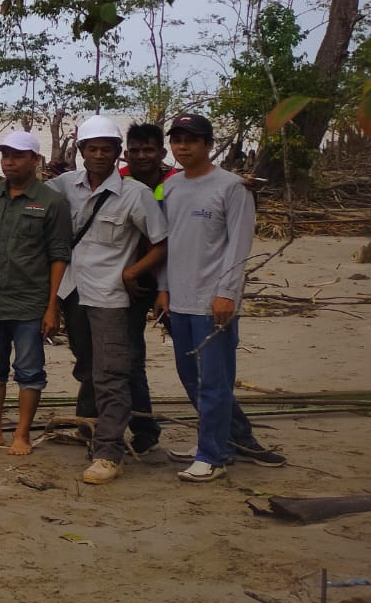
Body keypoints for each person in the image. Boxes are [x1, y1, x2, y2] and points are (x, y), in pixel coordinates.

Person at [155, 113, 286, 481]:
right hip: (177, 300)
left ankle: (212, 455)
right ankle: (214, 441)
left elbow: (240, 245)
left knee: (215, 380)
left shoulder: (232, 187)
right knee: (190, 378)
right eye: (177, 139)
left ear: (209, 145)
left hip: (213, 301)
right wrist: (163, 288)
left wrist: (227, 293)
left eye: (192, 140)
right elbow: (169, 243)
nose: (183, 146)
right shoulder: (173, 186)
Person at [53, 118, 167, 485]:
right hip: (73, 292)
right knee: (86, 366)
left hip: (111, 297)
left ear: (118, 153)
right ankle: (88, 429)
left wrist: (133, 273)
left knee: (112, 374)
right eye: (92, 148)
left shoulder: (136, 194)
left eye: (106, 148)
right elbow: (26, 190)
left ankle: (108, 452)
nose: (98, 155)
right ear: (81, 152)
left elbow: (162, 243)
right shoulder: (65, 186)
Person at [0, 132, 72, 457]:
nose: (9, 161)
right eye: (5, 155)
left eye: (18, 156)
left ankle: (21, 434)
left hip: (29, 303)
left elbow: (59, 256)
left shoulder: (52, 202)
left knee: (29, 371)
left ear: (35, 161)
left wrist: (53, 307)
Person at [117, 122, 178, 452]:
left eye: (149, 150)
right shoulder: (118, 181)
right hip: (130, 280)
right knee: (129, 358)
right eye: (135, 150)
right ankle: (143, 426)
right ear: (126, 153)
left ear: (161, 153)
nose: (142, 156)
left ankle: (229, 432)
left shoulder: (177, 184)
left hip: (173, 279)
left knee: (193, 358)